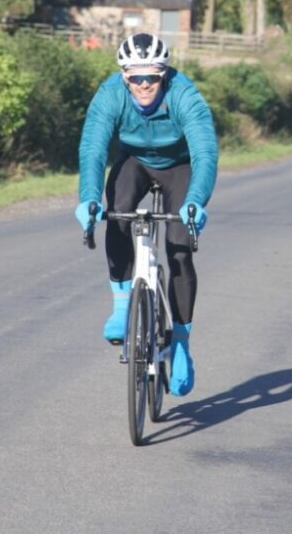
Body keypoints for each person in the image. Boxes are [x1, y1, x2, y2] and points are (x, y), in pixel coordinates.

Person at [75, 32, 218, 397]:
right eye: (135, 77)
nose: (143, 84)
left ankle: (182, 343)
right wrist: (89, 198)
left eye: (151, 77)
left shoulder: (184, 94)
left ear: (163, 74)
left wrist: (195, 201)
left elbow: (205, 153)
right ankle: (123, 305)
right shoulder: (110, 94)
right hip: (134, 161)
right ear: (124, 76)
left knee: (179, 248)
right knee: (118, 210)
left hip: (179, 165)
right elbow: (92, 149)